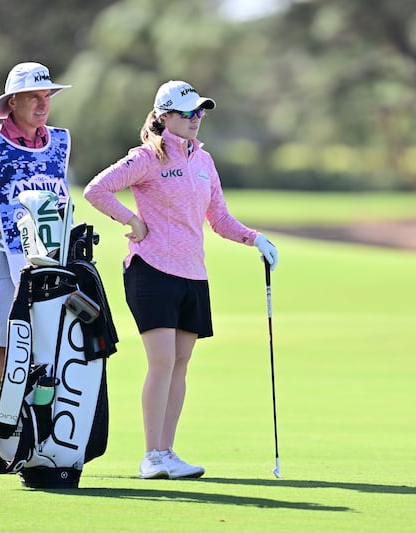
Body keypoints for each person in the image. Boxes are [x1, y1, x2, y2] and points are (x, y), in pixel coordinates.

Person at [83, 80, 278, 479]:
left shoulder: (204, 162)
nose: (195, 119)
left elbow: (219, 218)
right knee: (162, 361)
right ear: (164, 116)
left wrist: (254, 238)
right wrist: (132, 220)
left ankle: (167, 452)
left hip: (193, 273)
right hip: (151, 270)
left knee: (181, 364)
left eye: (200, 112)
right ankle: (150, 456)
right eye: (187, 113)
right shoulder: (146, 157)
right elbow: (96, 189)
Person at [0, 62, 72, 474]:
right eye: (33, 97)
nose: (43, 104)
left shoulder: (58, 143)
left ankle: (34, 443)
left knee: (45, 351)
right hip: (1, 254)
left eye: (47, 96)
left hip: (47, 260)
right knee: (1, 348)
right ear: (13, 103)